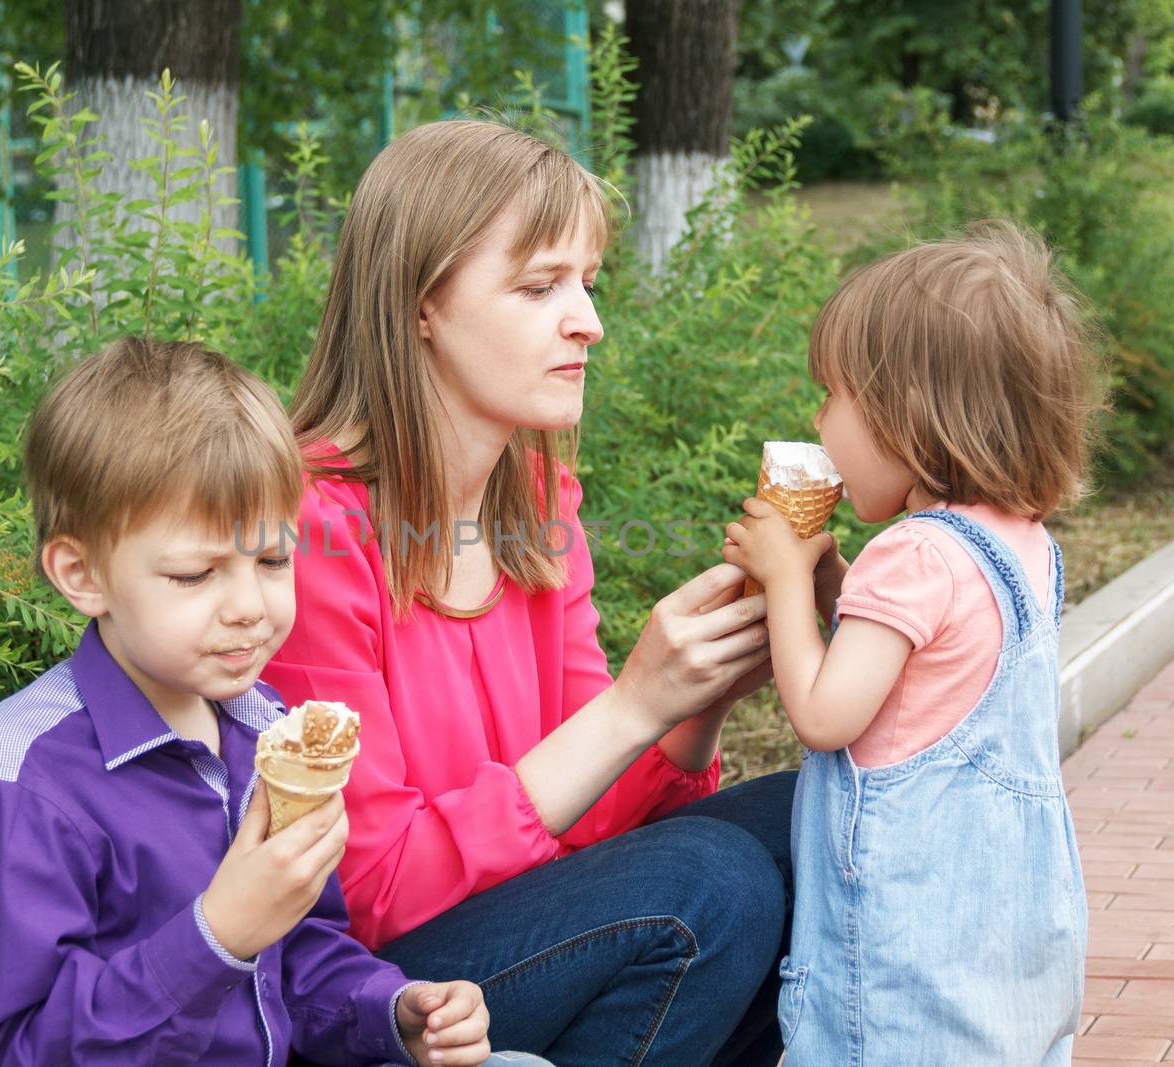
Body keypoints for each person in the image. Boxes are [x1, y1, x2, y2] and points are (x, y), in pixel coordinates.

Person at [264, 119, 800, 1067]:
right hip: (384, 993)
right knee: (711, 880)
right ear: (421, 304)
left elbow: (592, 819)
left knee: (812, 821)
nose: (588, 319)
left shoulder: (536, 505)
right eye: (540, 286)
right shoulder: (310, 532)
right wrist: (633, 704)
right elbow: (375, 889)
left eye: (588, 282)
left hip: (523, 929)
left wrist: (694, 703)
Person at [0, 338, 507, 1067]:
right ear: (82, 573)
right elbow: (27, 1050)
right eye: (196, 573)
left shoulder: (263, 727)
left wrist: (390, 1010)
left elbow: (299, 958)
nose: (248, 605)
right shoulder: (19, 780)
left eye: (272, 559)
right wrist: (217, 934)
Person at [721, 222, 1099, 1064]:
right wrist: (825, 578)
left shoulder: (915, 551)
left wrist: (784, 581)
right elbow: (909, 656)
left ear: (905, 414)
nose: (819, 420)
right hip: (1004, 954)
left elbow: (826, 712)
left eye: (832, 396)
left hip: (905, 971)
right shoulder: (1017, 543)